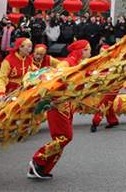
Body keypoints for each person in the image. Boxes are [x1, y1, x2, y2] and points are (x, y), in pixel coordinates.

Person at [28, 40, 91, 179]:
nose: (89, 53)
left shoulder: (81, 65)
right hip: (57, 105)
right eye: (87, 50)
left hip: (68, 106)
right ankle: (37, 159)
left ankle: (41, 168)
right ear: (80, 51)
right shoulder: (67, 63)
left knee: (60, 139)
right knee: (66, 137)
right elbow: (52, 81)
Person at [90, 45, 126, 132]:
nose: (101, 54)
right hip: (104, 87)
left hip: (114, 87)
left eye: (103, 52)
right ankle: (113, 121)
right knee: (108, 104)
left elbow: (122, 76)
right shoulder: (100, 62)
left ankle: (95, 123)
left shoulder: (114, 63)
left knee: (104, 104)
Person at [0, 38, 34, 103]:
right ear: (20, 47)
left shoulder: (29, 58)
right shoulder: (8, 60)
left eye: (31, 47)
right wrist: (1, 93)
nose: (30, 49)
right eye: (28, 46)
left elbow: (34, 69)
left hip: (23, 91)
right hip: (10, 92)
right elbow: (2, 78)